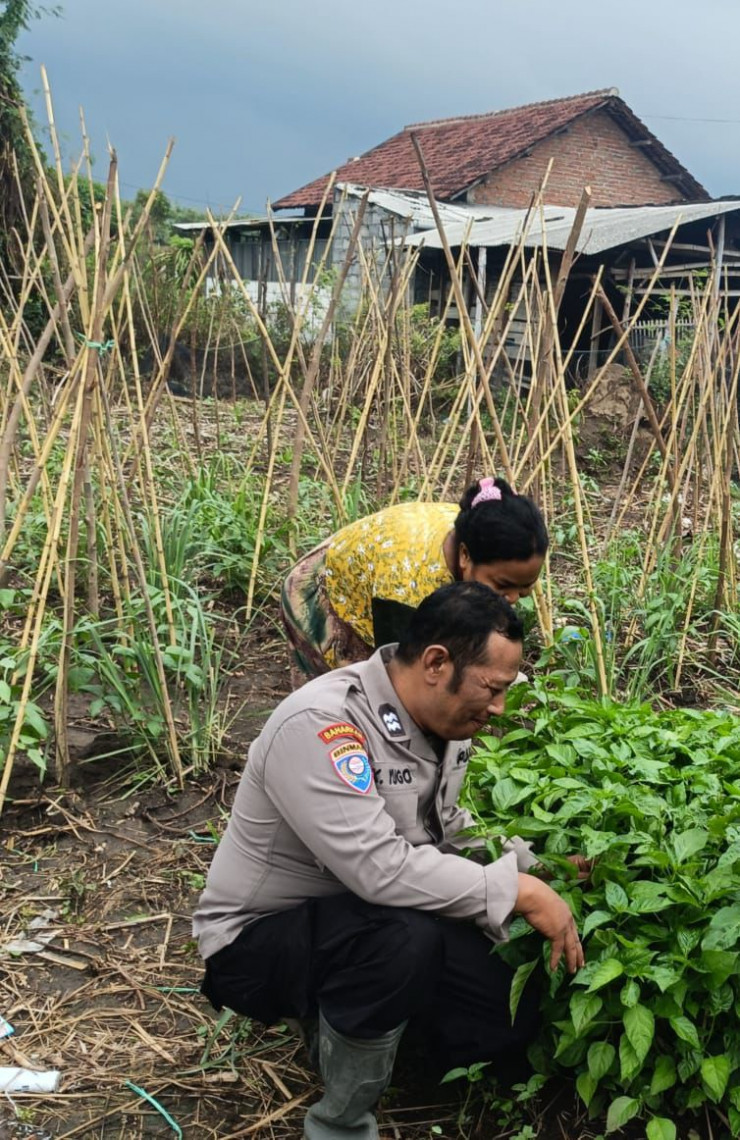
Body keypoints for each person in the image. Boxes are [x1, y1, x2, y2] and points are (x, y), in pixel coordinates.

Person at [194, 582, 585, 1140]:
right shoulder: (323, 726)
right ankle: (340, 1121)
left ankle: (367, 1025)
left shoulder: (443, 722)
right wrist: (518, 894)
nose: (499, 708)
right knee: (403, 940)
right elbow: (380, 869)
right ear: (435, 663)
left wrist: (535, 869)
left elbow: (445, 829)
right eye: (492, 689)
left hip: (363, 918)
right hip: (259, 944)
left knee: (502, 1017)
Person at [281, 476, 548, 685]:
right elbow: (400, 672)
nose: (512, 599)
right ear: (465, 556)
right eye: (503, 586)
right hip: (324, 592)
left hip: (371, 563)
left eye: (524, 589)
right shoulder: (406, 587)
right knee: (346, 701)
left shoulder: (479, 529)